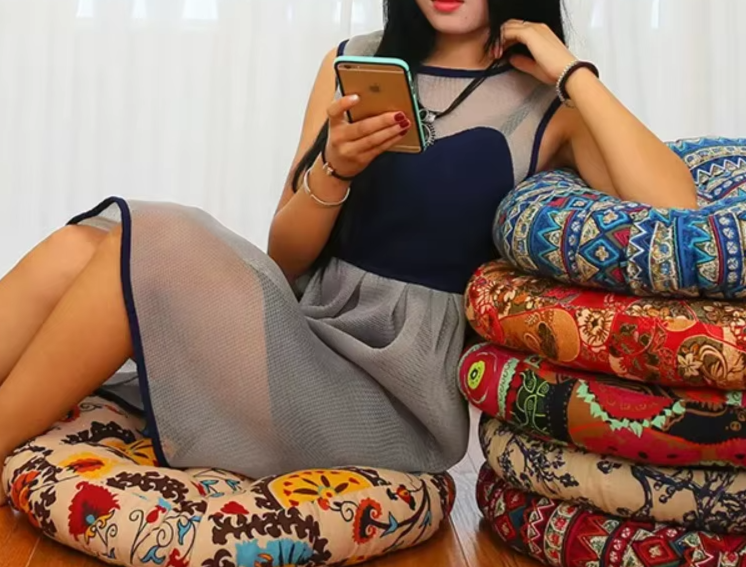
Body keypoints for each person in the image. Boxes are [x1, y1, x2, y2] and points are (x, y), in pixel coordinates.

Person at [0, 0, 696, 486]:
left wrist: (569, 69)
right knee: (88, 244)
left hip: (389, 396)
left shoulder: (551, 105)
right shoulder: (354, 59)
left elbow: (679, 209)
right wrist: (334, 169)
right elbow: (286, 256)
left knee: (159, 232)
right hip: (302, 334)